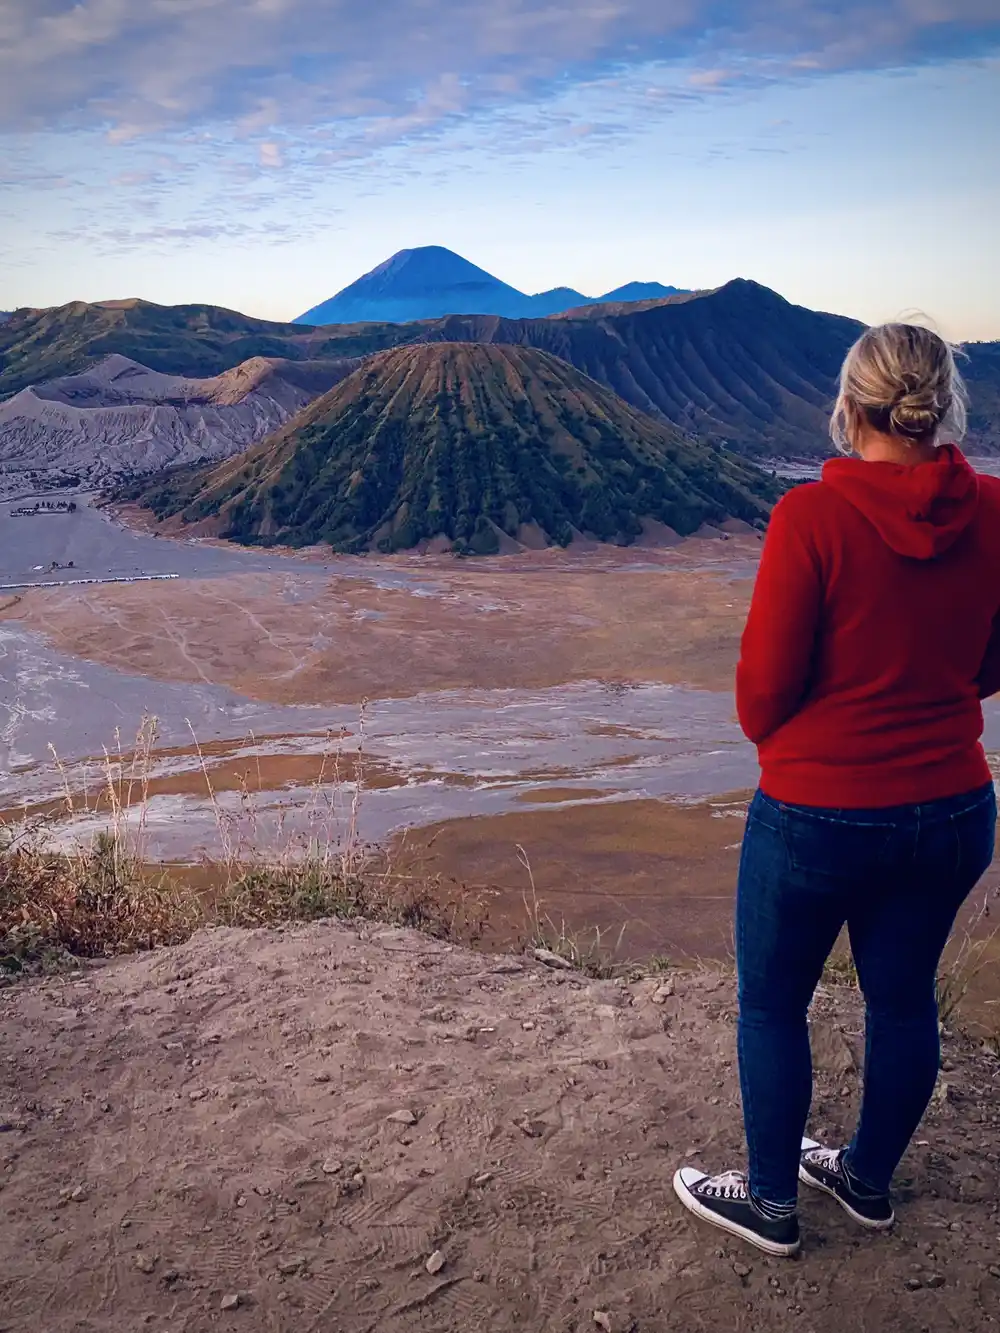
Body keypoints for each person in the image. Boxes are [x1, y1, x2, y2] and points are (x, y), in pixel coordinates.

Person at [672, 323, 1000, 1257]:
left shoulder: (811, 519)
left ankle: (771, 1202)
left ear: (850, 410)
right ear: (945, 409)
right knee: (904, 1001)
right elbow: (991, 658)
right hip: (954, 809)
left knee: (773, 1005)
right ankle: (865, 1180)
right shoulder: (997, 510)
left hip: (818, 816)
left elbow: (761, 696)